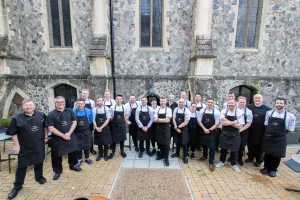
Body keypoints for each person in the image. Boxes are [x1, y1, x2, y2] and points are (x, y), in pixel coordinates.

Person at [6, 100, 48, 199]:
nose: (28, 107)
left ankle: (39, 177)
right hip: (24, 146)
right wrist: (16, 145)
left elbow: (46, 127)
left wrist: (46, 137)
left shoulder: (41, 115)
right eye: (26, 105)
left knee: (39, 161)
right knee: (21, 166)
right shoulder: (17, 118)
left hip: (38, 144)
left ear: (34, 106)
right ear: (23, 107)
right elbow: (13, 132)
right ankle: (17, 186)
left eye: (30, 105)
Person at [46, 96, 81, 181]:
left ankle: (72, 165)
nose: (60, 103)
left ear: (64, 102)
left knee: (72, 152)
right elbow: (50, 128)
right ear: (55, 103)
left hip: (70, 136)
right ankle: (57, 171)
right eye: (58, 102)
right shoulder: (51, 114)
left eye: (62, 102)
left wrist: (68, 133)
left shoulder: (69, 111)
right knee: (57, 155)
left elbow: (74, 122)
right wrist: (63, 135)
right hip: (57, 138)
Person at [261, 97, 296, 177]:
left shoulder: (290, 116)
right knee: (267, 153)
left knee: (277, 154)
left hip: (280, 138)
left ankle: (273, 169)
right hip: (269, 137)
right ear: (275, 104)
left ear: (285, 104)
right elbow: (266, 124)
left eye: (281, 103)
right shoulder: (269, 113)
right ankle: (266, 167)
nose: (279, 104)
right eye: (277, 103)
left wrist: (281, 134)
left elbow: (291, 129)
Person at [215, 99, 243, 173]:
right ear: (227, 104)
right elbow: (222, 123)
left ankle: (234, 164)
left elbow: (240, 126)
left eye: (232, 103)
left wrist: (227, 122)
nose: (230, 104)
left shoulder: (239, 112)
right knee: (223, 149)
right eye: (229, 103)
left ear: (235, 104)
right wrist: (234, 122)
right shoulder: (224, 111)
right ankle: (221, 161)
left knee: (234, 150)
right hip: (225, 133)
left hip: (235, 134)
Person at [246, 94, 272, 167]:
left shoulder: (268, 109)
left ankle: (258, 160)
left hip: (261, 131)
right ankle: (250, 157)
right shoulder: (248, 107)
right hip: (250, 130)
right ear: (253, 99)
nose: (257, 99)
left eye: (259, 98)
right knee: (250, 145)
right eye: (256, 98)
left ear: (262, 99)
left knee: (260, 147)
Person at [198, 98, 220, 172]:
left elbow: (217, 123)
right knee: (204, 144)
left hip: (212, 131)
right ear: (206, 102)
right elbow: (199, 121)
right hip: (203, 130)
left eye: (211, 102)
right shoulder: (202, 111)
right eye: (209, 102)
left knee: (211, 147)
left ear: (214, 103)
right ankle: (204, 156)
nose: (210, 104)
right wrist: (204, 129)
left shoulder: (216, 112)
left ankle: (211, 162)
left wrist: (209, 129)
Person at [73, 89, 97, 155]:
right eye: (83, 93)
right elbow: (74, 112)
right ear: (81, 94)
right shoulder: (76, 103)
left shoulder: (92, 102)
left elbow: (93, 112)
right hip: (78, 124)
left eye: (86, 93)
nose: (85, 94)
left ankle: (91, 149)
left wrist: (88, 123)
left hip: (88, 122)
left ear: (88, 94)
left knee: (89, 137)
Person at [73, 98, 94, 167]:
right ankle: (79, 159)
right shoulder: (73, 111)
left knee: (86, 144)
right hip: (77, 131)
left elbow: (91, 120)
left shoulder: (88, 111)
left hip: (86, 131)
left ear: (84, 104)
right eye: (78, 103)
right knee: (78, 145)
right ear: (76, 104)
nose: (80, 105)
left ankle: (87, 158)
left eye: (81, 103)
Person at [109, 94, 129, 159]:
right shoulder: (112, 107)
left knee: (122, 140)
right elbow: (111, 116)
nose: (119, 100)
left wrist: (124, 120)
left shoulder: (124, 107)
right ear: (115, 100)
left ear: (121, 100)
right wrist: (114, 121)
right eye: (117, 99)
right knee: (114, 140)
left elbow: (126, 115)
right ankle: (113, 152)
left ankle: (122, 151)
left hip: (122, 125)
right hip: (114, 126)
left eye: (120, 99)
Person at [93, 96, 113, 161]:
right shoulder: (94, 110)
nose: (99, 102)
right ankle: (100, 154)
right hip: (97, 128)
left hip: (105, 128)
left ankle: (105, 154)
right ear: (96, 102)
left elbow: (108, 119)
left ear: (102, 101)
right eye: (98, 101)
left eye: (100, 101)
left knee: (106, 142)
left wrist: (101, 127)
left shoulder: (106, 109)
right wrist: (96, 127)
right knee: (99, 142)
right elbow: (93, 119)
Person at [171, 98, 191, 164]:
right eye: (180, 102)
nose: (181, 103)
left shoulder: (187, 110)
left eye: (182, 102)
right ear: (178, 102)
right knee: (177, 141)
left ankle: (185, 156)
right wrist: (175, 127)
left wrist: (178, 127)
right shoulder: (176, 109)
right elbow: (173, 118)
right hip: (176, 127)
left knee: (184, 143)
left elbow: (186, 122)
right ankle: (177, 153)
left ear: (184, 103)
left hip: (183, 129)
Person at [154, 97, 172, 166]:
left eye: (164, 101)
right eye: (161, 101)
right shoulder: (157, 109)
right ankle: (161, 155)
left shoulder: (169, 109)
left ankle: (166, 158)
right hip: (158, 129)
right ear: (160, 102)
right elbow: (154, 120)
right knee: (159, 143)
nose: (162, 102)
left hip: (166, 130)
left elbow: (167, 120)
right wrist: (163, 120)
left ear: (166, 101)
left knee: (166, 144)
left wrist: (158, 119)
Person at [235, 96, 253, 166]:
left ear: (246, 103)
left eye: (243, 102)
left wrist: (240, 130)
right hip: (234, 129)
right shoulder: (234, 109)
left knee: (241, 145)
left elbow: (249, 123)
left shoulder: (248, 111)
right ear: (237, 102)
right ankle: (232, 157)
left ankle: (239, 159)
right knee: (233, 144)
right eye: (240, 102)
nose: (242, 103)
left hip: (244, 131)